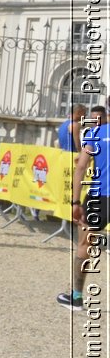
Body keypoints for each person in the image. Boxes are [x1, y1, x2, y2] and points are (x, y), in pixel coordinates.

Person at [60, 104, 108, 308]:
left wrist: (75, 201)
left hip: (99, 196)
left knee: (84, 245)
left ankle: (77, 297)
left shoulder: (96, 132)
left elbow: (81, 167)